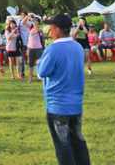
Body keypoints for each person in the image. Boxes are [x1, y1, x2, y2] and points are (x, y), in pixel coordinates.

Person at [37, 14, 91, 165]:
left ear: (57, 29)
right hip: (75, 103)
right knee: (78, 141)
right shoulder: (78, 47)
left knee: (63, 145)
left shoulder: (53, 49)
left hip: (57, 106)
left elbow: (41, 72)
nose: (49, 30)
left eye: (50, 27)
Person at [22, 14, 44, 82]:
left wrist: (34, 21)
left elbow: (37, 29)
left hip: (38, 47)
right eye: (35, 20)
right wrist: (28, 16)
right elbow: (23, 22)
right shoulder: (30, 28)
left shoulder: (40, 28)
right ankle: (30, 78)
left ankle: (41, 77)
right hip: (30, 47)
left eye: (37, 20)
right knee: (30, 63)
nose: (35, 21)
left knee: (40, 63)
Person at [17, 11, 30, 78]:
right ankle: (22, 73)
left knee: (30, 58)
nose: (23, 16)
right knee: (22, 59)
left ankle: (31, 73)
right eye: (22, 15)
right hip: (22, 43)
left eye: (24, 15)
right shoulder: (19, 23)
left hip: (29, 42)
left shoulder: (30, 23)